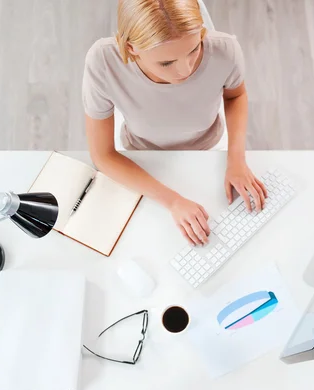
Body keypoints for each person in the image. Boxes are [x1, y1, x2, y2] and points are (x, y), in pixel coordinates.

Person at [82, 0, 267, 247]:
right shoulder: (103, 62)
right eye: (166, 63)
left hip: (208, 146)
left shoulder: (225, 50)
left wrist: (236, 160)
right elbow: (102, 156)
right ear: (131, 48)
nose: (186, 69)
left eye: (194, 49)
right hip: (140, 153)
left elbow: (235, 96)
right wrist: (173, 201)